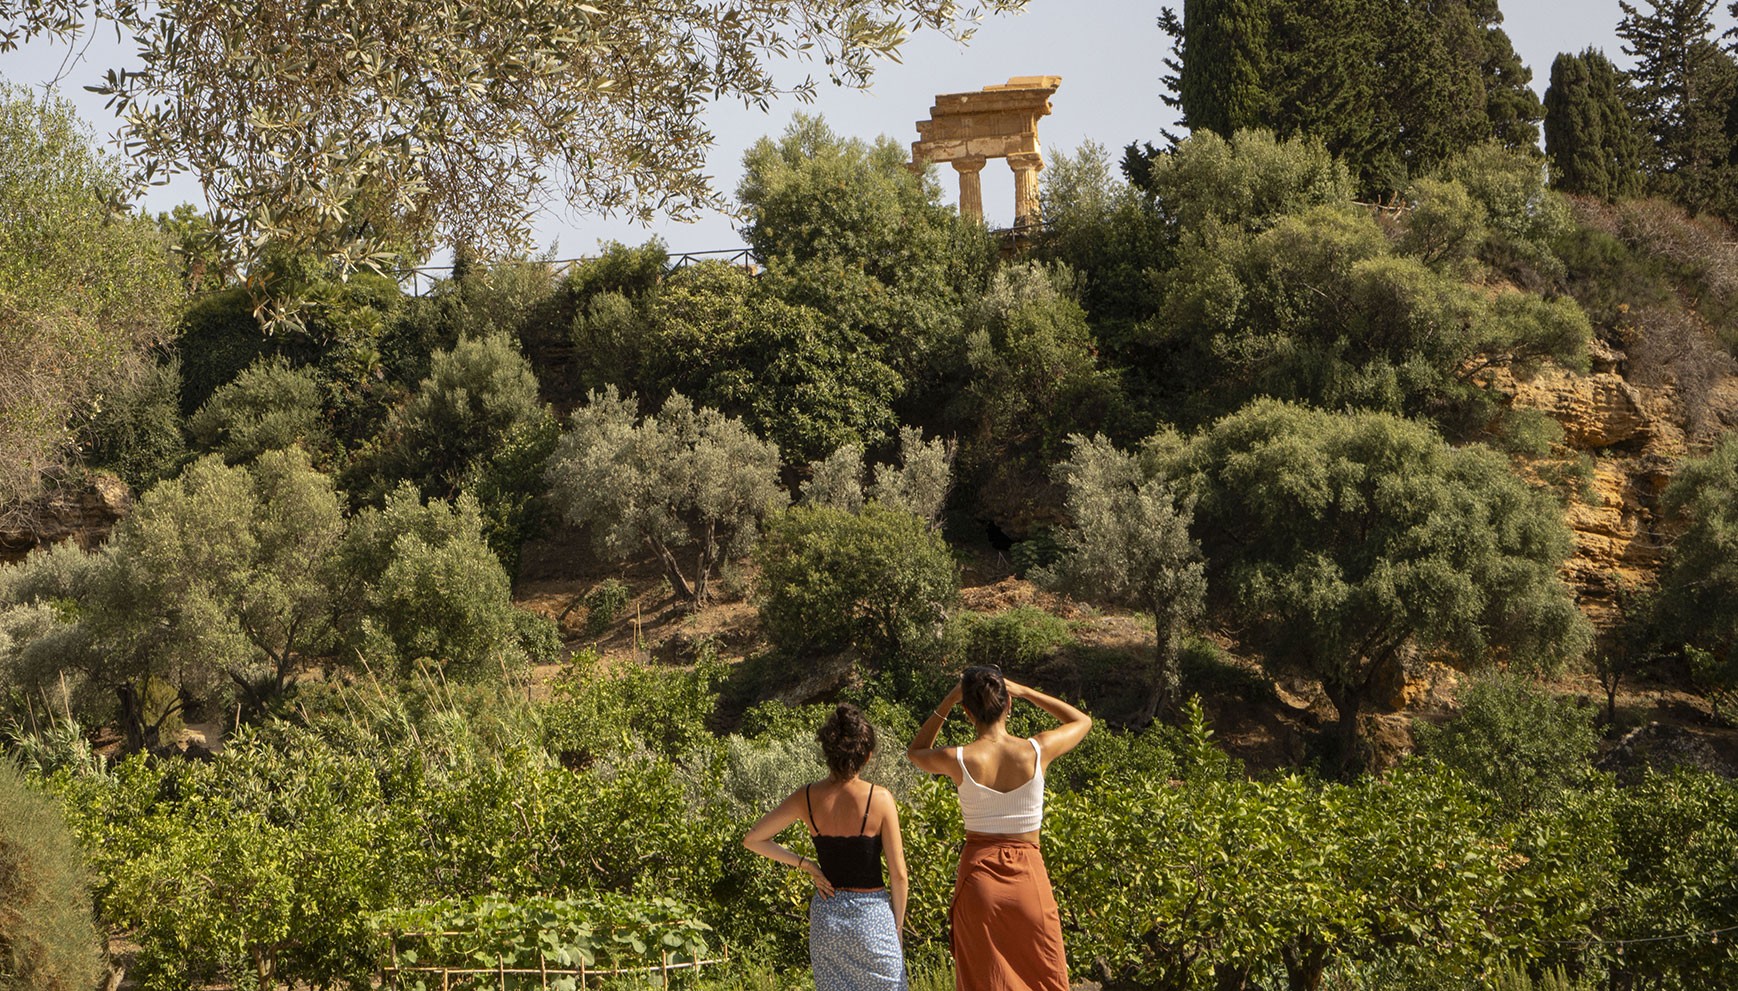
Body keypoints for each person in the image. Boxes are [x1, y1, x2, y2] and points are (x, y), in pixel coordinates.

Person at [906, 667, 1091, 991]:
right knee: (1044, 979)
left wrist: (948, 701)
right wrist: (1028, 692)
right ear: (1009, 705)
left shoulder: (959, 758)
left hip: (979, 881)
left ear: (967, 712)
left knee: (983, 980)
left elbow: (916, 752)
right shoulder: (1036, 750)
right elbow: (1082, 722)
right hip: (1028, 879)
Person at [744, 703, 910, 991]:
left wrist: (805, 864)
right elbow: (899, 876)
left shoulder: (806, 797)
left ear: (828, 752)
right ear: (867, 756)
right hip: (872, 917)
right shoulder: (880, 799)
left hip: (827, 918)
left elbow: (753, 839)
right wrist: (896, 929)